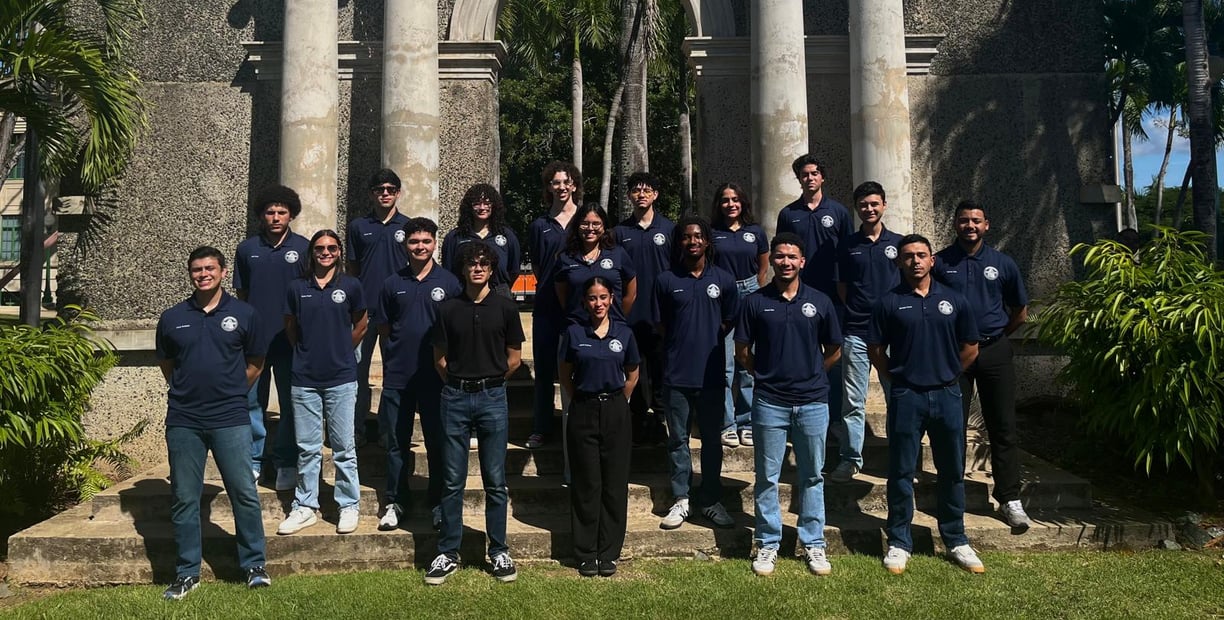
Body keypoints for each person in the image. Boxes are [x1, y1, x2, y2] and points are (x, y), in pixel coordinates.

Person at [155, 246, 270, 600]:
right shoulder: (172, 317)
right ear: (190, 274)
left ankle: (254, 565)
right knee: (185, 498)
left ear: (222, 272)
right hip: (184, 419)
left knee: (243, 493)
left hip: (231, 417)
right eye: (196, 269)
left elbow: (256, 361)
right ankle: (187, 572)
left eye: (209, 268)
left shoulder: (244, 314)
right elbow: (167, 365)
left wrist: (233, 391)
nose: (203, 274)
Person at [869, 233, 984, 574]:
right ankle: (900, 542)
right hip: (907, 395)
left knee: (951, 469)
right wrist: (899, 378)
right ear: (899, 262)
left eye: (921, 255)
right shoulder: (888, 302)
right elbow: (876, 351)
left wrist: (948, 374)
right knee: (901, 471)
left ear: (932, 260)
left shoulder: (954, 300)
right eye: (908, 256)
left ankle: (956, 538)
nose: (915, 261)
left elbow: (971, 347)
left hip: (948, 394)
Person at [736, 233, 842, 577]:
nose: (784, 262)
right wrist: (766, 375)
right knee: (767, 477)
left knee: (812, 475)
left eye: (791, 257)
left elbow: (834, 349)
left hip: (813, 402)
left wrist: (812, 373)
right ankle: (768, 542)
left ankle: (814, 543)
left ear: (802, 262)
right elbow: (742, 353)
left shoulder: (820, 301)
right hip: (769, 402)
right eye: (779, 256)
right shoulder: (754, 302)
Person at [426, 241, 526, 585]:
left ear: (491, 269)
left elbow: (514, 358)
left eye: (484, 263)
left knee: (495, 481)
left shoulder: (505, 308)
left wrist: (491, 381)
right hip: (455, 396)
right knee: (453, 481)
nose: (478, 269)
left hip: (492, 397)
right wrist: (459, 382)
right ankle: (448, 552)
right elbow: (439, 358)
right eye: (472, 264)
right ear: (464, 269)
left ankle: (498, 550)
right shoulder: (448, 308)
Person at [934, 200, 1032, 530]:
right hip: (954, 354)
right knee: (952, 428)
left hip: (994, 351)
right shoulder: (940, 263)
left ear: (987, 225)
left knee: (1002, 426)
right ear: (955, 224)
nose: (970, 226)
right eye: (964, 221)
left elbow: (1020, 310)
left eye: (976, 221)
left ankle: (1010, 499)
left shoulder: (1002, 263)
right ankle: (952, 496)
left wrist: (997, 336)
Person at [373, 217, 462, 532]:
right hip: (399, 376)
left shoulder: (450, 283)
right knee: (397, 443)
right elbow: (385, 329)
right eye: (414, 242)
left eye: (425, 241)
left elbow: (457, 330)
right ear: (405, 244)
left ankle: (438, 502)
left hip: (437, 378)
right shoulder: (391, 284)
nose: (420, 247)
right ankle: (396, 501)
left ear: (434, 243)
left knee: (438, 442)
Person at [277, 230, 368, 536]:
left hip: (341, 378)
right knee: (307, 448)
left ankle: (348, 505)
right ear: (311, 253)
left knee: (344, 447)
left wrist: (343, 347)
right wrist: (306, 352)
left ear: (340, 252)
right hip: (304, 379)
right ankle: (305, 506)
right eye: (319, 248)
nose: (325, 252)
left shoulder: (351, 285)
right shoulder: (296, 287)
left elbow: (362, 322)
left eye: (331, 247)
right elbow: (290, 328)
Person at [655, 215, 739, 531]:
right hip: (676, 374)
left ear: (707, 241)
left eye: (698, 236)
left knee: (712, 443)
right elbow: (660, 324)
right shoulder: (666, 281)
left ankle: (710, 500)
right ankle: (681, 499)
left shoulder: (725, 280)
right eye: (687, 237)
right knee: (678, 439)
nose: (692, 241)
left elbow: (729, 320)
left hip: (712, 375)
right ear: (680, 243)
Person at [558, 276, 640, 577]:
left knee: (614, 483)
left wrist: (618, 400)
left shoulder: (625, 333)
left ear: (612, 299)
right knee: (586, 483)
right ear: (584, 302)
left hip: (616, 409)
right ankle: (585, 552)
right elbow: (565, 373)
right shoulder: (574, 332)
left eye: (603, 297)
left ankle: (608, 552)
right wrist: (583, 398)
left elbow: (632, 373)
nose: (598, 303)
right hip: (583, 409)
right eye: (592, 298)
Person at [774, 154, 852, 460]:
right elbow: (782, 253)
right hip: (797, 296)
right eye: (804, 174)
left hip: (832, 297)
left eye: (814, 173)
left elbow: (847, 254)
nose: (809, 178)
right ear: (799, 179)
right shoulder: (788, 213)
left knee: (834, 359)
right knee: (795, 354)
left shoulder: (839, 212)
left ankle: (832, 418)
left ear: (823, 177)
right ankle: (792, 415)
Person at [234, 184, 310, 491]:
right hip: (255, 343)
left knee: (292, 404)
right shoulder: (247, 249)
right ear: (261, 215)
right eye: (270, 212)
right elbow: (243, 294)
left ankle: (287, 461)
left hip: (290, 341)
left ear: (291, 214)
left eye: (281, 212)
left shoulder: (305, 248)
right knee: (253, 402)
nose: (276, 217)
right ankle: (254, 461)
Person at [830, 181, 902, 482]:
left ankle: (900, 458)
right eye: (863, 205)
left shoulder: (898, 244)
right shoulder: (847, 245)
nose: (869, 209)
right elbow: (843, 287)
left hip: (894, 334)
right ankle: (851, 459)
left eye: (874, 204)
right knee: (853, 401)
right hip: (856, 332)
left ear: (883, 205)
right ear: (857, 209)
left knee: (896, 397)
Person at [346, 168, 410, 434]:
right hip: (364, 312)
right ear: (372, 194)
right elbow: (352, 268)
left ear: (397, 193)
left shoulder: (408, 226)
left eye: (390, 190)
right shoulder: (358, 227)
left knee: (392, 373)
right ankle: (355, 430)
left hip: (396, 312)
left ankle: (389, 431)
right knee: (357, 373)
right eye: (380, 190)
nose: (385, 194)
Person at [613, 172, 674, 445]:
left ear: (656, 195)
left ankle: (661, 420)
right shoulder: (619, 233)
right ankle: (636, 420)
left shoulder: (669, 230)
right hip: (630, 316)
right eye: (636, 190)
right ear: (629, 195)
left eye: (647, 190)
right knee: (633, 370)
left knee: (661, 370)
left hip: (661, 315)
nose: (641, 195)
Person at [525, 162, 581, 449]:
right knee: (545, 370)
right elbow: (537, 263)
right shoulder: (539, 225)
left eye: (566, 182)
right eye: (555, 182)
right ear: (549, 187)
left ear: (574, 186)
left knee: (580, 367)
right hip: (547, 305)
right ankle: (542, 426)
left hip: (579, 307)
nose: (561, 187)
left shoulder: (584, 220)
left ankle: (578, 425)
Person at [709, 182, 768, 448]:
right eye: (725, 200)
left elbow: (763, 263)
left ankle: (747, 421)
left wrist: (756, 284)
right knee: (725, 364)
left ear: (742, 203)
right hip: (723, 295)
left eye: (735, 199)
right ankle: (727, 423)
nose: (730, 204)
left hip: (751, 292)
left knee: (748, 363)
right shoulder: (712, 233)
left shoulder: (755, 232)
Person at [555, 203, 637, 326]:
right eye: (585, 223)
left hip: (613, 330)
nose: (590, 228)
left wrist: (618, 318)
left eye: (596, 223)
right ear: (577, 226)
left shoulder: (618, 254)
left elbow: (631, 292)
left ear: (604, 226)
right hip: (577, 329)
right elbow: (563, 297)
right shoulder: (566, 258)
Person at [441, 183, 522, 298]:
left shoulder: (507, 235)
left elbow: (513, 270)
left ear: (494, 206)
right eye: (477, 204)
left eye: (487, 203)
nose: (482, 208)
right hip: (463, 295)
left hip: (499, 293)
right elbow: (448, 271)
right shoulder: (455, 237)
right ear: (469, 207)